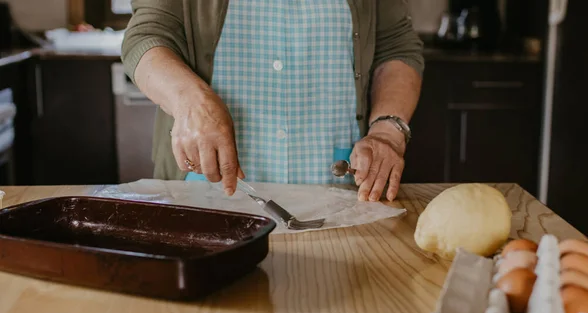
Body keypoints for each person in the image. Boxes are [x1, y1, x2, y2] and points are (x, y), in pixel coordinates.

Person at [121, 0, 424, 202]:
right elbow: (148, 36)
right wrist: (189, 101)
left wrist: (387, 129)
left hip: (343, 195)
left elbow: (396, 44)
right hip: (203, 192)